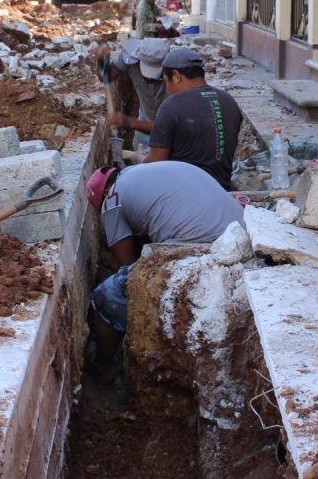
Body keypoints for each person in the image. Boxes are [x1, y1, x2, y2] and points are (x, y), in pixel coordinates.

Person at [85, 161, 244, 382]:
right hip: (241, 234)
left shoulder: (110, 200)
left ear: (103, 193)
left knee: (109, 294)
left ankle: (102, 367)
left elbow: (125, 264)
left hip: (203, 249)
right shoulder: (144, 172)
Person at [143, 47, 242, 190]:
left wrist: (140, 160)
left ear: (176, 76)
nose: (167, 88)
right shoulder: (229, 101)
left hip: (183, 195)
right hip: (222, 192)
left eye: (166, 81)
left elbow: (155, 166)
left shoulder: (171, 107)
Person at [96, 39, 169, 151]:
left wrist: (129, 122)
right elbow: (106, 76)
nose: (149, 78)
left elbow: (169, 127)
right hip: (144, 123)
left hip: (170, 131)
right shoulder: (129, 59)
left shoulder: (177, 73)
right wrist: (101, 61)